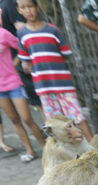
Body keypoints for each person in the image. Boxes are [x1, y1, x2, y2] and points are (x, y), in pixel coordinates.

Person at [16, 0, 93, 141]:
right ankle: (71, 156)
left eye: (30, 7)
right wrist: (27, 66)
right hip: (44, 87)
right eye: (23, 8)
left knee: (78, 118)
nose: (28, 11)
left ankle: (95, 149)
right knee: (56, 126)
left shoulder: (52, 30)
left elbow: (65, 52)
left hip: (63, 84)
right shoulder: (22, 34)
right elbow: (25, 60)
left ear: (37, 8)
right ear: (19, 10)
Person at [0, 5, 44, 162]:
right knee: (14, 120)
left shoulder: (4, 34)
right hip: (0, 89)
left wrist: (15, 63)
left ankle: (46, 149)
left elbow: (22, 45)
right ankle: (30, 151)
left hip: (13, 83)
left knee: (27, 118)